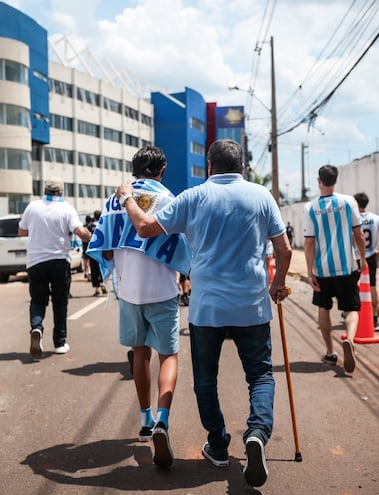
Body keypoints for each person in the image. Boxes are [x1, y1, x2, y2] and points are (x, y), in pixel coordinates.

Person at [116, 139, 291, 488]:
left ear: (209, 166)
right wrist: (278, 284)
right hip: (252, 306)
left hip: (207, 308)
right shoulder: (261, 195)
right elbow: (283, 250)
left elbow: (145, 227)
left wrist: (126, 197)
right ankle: (256, 433)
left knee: (205, 381)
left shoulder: (194, 196)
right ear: (242, 166)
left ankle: (219, 443)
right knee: (260, 376)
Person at [87, 145, 191, 468]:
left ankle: (145, 419)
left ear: (134, 171)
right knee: (168, 355)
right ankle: (162, 419)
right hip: (161, 290)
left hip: (129, 292)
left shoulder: (113, 201)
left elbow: (103, 250)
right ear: (162, 170)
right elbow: (184, 248)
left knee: (140, 354)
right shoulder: (169, 200)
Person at [18, 177, 92, 358]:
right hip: (59, 261)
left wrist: (37, 229)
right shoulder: (66, 208)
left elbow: (21, 231)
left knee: (37, 300)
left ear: (45, 191)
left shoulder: (33, 207)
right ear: (61, 191)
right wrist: (92, 236)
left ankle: (36, 328)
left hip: (35, 261)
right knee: (60, 302)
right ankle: (59, 342)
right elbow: (80, 233)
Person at [303, 165, 367, 374]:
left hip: (322, 270)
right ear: (335, 180)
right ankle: (348, 338)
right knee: (351, 309)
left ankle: (330, 352)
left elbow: (309, 243)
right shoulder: (349, 202)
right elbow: (358, 235)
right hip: (347, 268)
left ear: (319, 181)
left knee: (324, 309)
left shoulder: (310, 208)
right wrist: (363, 259)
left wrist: (310, 271)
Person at [353, 192, 379, 331]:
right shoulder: (375, 218)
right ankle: (375, 320)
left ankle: (355, 315)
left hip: (357, 257)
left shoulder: (353, 219)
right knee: (372, 286)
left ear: (356, 204)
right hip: (371, 256)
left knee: (354, 287)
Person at [87, 210, 107, 296]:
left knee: (94, 270)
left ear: (94, 216)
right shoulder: (104, 224)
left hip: (93, 250)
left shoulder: (90, 226)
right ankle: (103, 284)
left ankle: (97, 289)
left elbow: (86, 238)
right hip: (102, 250)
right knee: (102, 268)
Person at [82, 214, 93, 281]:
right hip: (90, 246)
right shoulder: (91, 226)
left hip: (85, 246)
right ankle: (89, 273)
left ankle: (86, 273)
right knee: (90, 262)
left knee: (86, 261)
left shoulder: (84, 227)